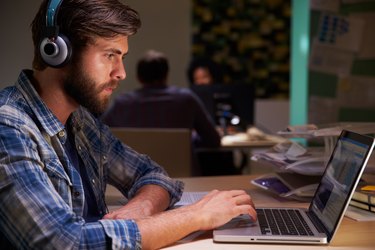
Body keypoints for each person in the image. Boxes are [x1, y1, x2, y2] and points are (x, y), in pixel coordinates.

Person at [0, 0, 257, 249]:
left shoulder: (80, 121)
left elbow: (151, 173)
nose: (121, 72)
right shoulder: (9, 129)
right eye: (110, 55)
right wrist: (197, 216)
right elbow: (65, 243)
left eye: (121, 56)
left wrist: (142, 207)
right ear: (58, 53)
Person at [101, 49, 221, 149]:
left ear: (139, 77)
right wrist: (189, 139)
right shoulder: (186, 99)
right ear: (166, 74)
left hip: (136, 175)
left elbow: (101, 136)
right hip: (183, 174)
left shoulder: (123, 103)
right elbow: (213, 140)